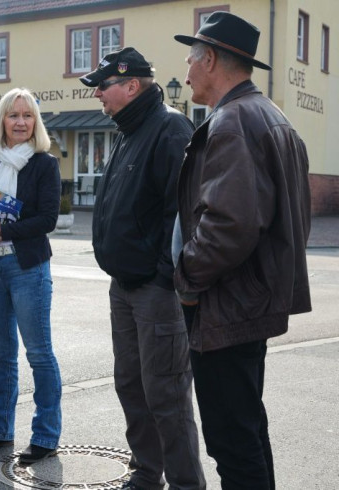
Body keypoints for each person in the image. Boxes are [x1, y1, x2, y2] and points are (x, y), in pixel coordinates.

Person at [173, 12, 312, 490]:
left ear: (209, 59)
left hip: (226, 307)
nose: (186, 70)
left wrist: (186, 282)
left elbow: (229, 225)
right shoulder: (270, 116)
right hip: (250, 301)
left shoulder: (233, 122)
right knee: (249, 432)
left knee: (232, 444)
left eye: (191, 59)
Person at [79, 48, 205, 490]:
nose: (98, 94)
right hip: (125, 286)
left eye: (103, 85)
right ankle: (146, 474)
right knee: (132, 387)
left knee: (166, 395)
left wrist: (160, 271)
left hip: (156, 290)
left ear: (131, 85)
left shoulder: (170, 129)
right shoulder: (128, 130)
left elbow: (185, 212)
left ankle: (187, 484)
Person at [0, 87, 62, 464]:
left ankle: (45, 435)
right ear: (1, 121)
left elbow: (48, 220)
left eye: (27, 116)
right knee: (2, 354)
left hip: (26, 268)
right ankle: (0, 429)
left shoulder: (44, 163)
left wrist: (4, 231)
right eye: (13, 115)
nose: (21, 122)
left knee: (38, 354)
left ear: (34, 122)